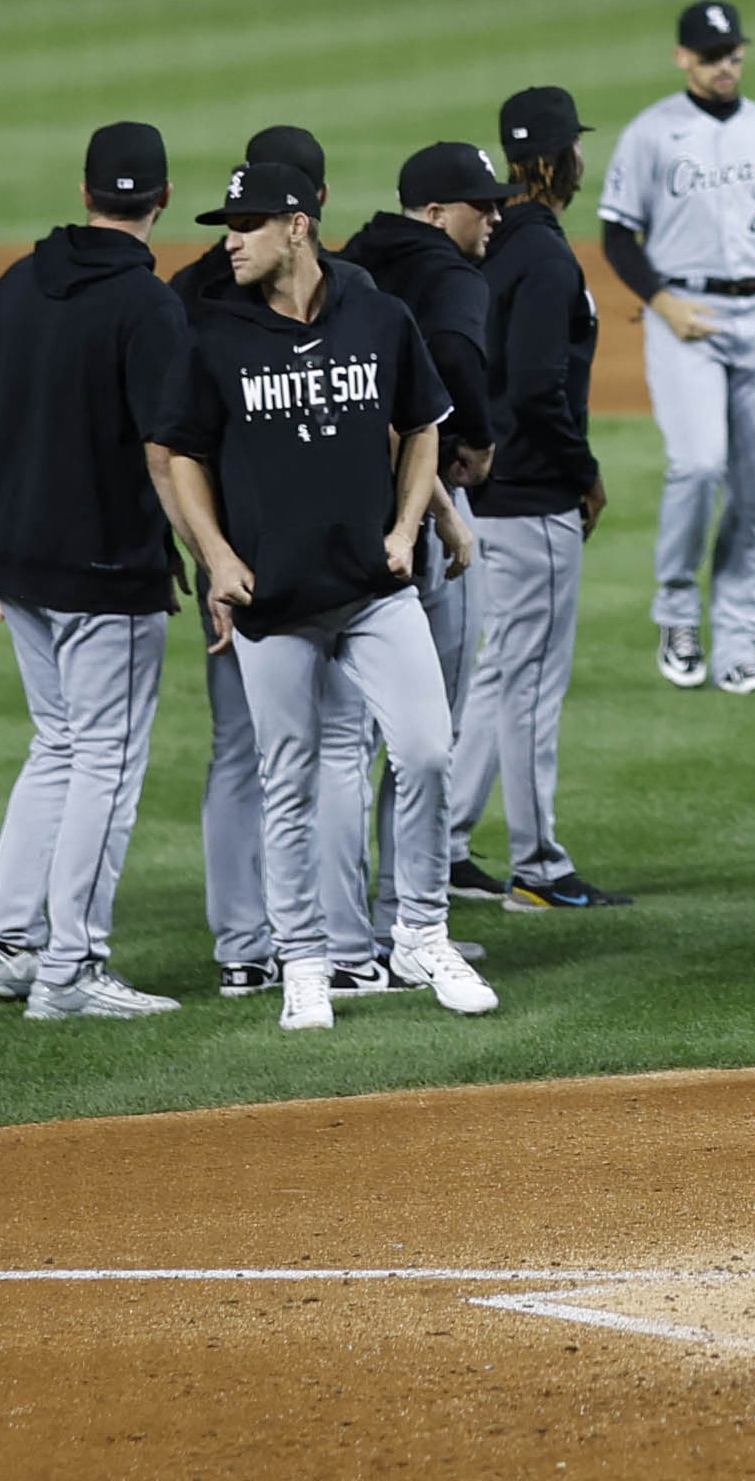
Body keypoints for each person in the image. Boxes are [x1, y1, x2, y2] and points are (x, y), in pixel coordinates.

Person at [146, 131, 479, 1033]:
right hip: (271, 604)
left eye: (247, 224)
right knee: (286, 779)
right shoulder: (214, 331)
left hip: (375, 588)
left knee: (427, 750)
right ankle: (302, 961)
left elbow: (422, 427)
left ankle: (421, 931)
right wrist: (214, 555)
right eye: (227, 225)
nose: (229, 239)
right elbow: (179, 455)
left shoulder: (376, 317)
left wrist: (412, 524)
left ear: (299, 228)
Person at [0, 120, 192, 1021]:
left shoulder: (17, 283)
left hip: (20, 555)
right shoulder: (150, 306)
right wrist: (209, 559)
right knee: (105, 759)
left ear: (85, 191)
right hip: (106, 568)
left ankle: (8, 944)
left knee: (55, 745)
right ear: (162, 199)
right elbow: (165, 454)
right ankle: (71, 969)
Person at [599, 0, 755, 697]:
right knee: (698, 466)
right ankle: (676, 612)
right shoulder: (649, 134)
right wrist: (663, 303)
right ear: (681, 58)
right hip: (684, 313)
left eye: (731, 54)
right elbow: (616, 235)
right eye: (708, 56)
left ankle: (738, 645)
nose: (723, 66)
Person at [335, 139, 513, 993]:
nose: (495, 219)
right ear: (439, 212)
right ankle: (405, 922)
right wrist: (471, 446)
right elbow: (456, 369)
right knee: (421, 731)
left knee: (339, 740)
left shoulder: (349, 258)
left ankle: (339, 926)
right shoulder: (450, 275)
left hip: (337, 513)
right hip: (422, 508)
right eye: (483, 205)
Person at [446, 86, 616, 914]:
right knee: (529, 685)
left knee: (499, 671)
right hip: (532, 494)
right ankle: (539, 870)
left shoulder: (489, 245)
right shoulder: (544, 256)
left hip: (485, 493)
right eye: (575, 147)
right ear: (557, 160)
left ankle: (443, 843)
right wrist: (583, 471)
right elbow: (541, 386)